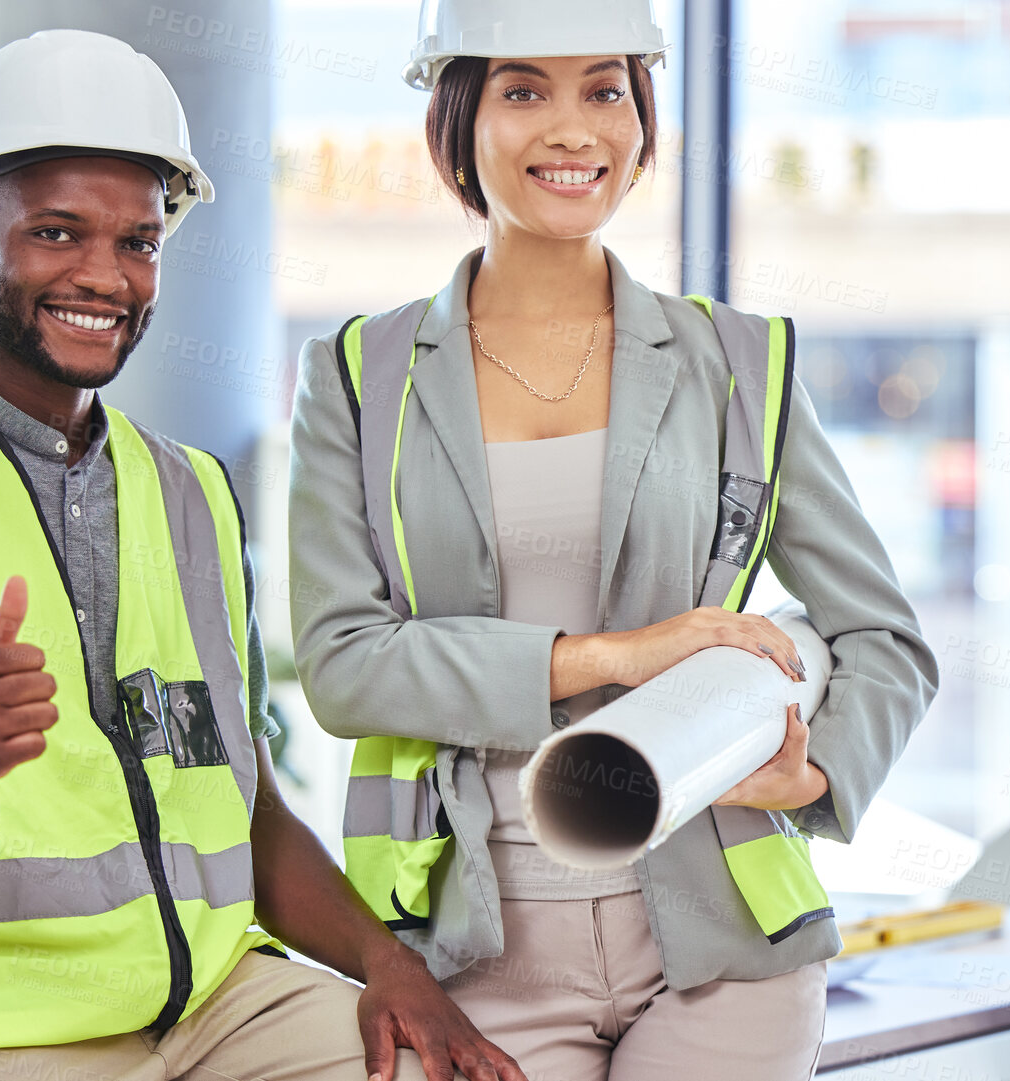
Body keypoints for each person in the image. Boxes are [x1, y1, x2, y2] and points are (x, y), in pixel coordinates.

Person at [0, 29, 522, 1081]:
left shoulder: (194, 493)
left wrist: (388, 966)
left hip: (207, 1000)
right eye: (57, 233)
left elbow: (239, 799)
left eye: (138, 243)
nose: (102, 276)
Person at [287, 2, 939, 1077]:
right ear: (456, 116)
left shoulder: (739, 363)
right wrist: (613, 656)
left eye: (604, 88)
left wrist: (813, 775)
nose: (573, 129)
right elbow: (344, 663)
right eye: (522, 90)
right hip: (472, 956)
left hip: (723, 942)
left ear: (642, 114)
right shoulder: (359, 380)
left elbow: (883, 635)